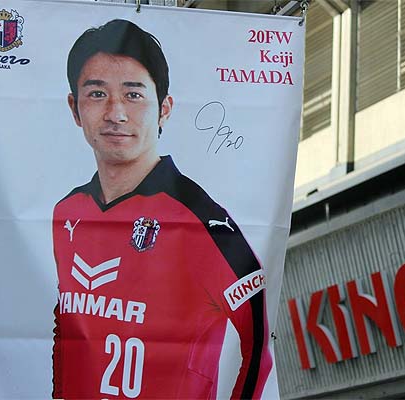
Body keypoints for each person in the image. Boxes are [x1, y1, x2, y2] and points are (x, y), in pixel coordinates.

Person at [52, 19, 271, 399]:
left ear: (164, 109)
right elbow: (67, 326)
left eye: (133, 95)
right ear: (75, 108)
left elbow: (258, 345)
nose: (116, 113)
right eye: (97, 94)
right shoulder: (68, 211)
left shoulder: (201, 220)